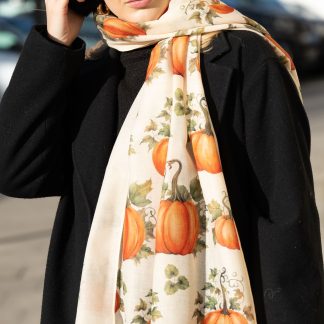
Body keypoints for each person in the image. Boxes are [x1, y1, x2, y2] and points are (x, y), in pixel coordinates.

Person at [0, 0, 323, 323]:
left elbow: (285, 218)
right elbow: (18, 173)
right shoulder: (92, 71)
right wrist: (57, 38)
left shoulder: (246, 56)